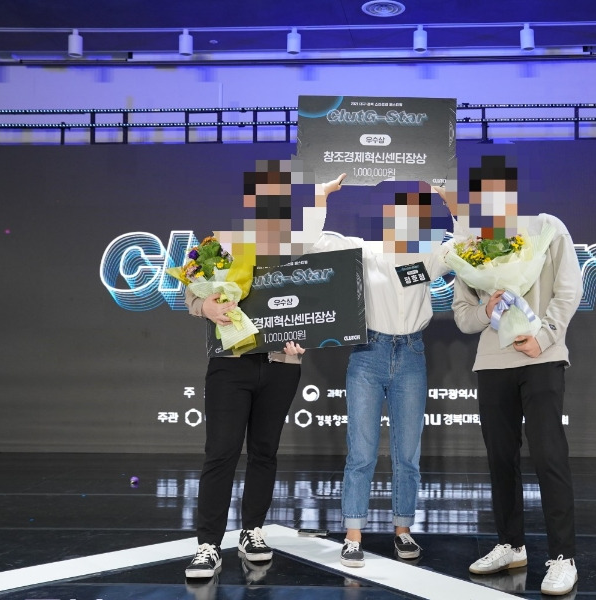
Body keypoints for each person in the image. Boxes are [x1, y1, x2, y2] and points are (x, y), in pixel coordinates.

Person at [182, 167, 343, 579]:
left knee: (264, 451)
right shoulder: (221, 244)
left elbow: (315, 301)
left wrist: (304, 334)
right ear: (250, 200)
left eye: (280, 195)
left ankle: (252, 531)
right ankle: (207, 545)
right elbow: (191, 291)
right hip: (230, 363)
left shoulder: (297, 247)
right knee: (221, 451)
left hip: (281, 365)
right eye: (265, 195)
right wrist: (205, 307)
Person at [450, 155, 583, 596]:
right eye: (482, 194)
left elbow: (568, 290)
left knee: (548, 455)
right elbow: (463, 315)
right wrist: (486, 310)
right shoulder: (469, 245)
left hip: (542, 357)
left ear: (511, 192)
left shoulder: (546, 228)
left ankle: (563, 557)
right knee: (500, 458)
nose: (491, 201)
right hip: (493, 362)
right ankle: (511, 544)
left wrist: (543, 337)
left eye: (498, 191)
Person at [310, 179, 458, 568]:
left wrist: (451, 200)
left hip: (411, 355)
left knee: (407, 454)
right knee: (361, 451)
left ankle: (403, 529)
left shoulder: (428, 255)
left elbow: (465, 248)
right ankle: (353, 534)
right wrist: (321, 197)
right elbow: (315, 243)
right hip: (368, 354)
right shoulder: (365, 250)